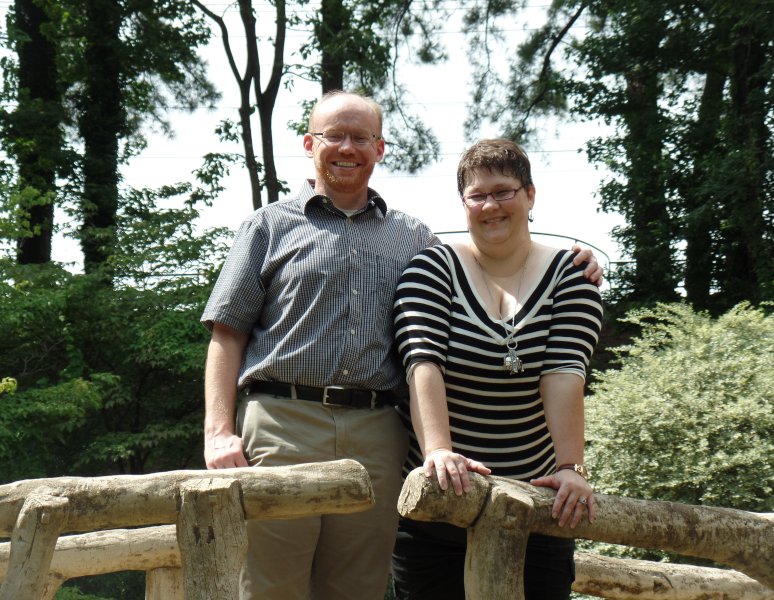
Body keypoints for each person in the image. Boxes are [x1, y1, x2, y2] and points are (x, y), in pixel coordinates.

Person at [201, 91, 602, 600]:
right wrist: (218, 432)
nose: (348, 148)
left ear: (380, 148)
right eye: (334, 136)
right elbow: (227, 331)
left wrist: (577, 262)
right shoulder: (268, 225)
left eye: (361, 137)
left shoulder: (413, 238)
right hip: (283, 420)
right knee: (271, 585)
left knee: (358, 587)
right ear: (309, 144)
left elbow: (484, 265)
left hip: (379, 430)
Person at [391, 138, 603, 600]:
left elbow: (565, 373)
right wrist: (439, 452)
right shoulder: (431, 269)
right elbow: (422, 363)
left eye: (504, 191)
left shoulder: (572, 275)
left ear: (530, 195)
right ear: (464, 204)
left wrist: (570, 467)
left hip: (538, 503)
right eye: (477, 195)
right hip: (440, 501)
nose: (491, 206)